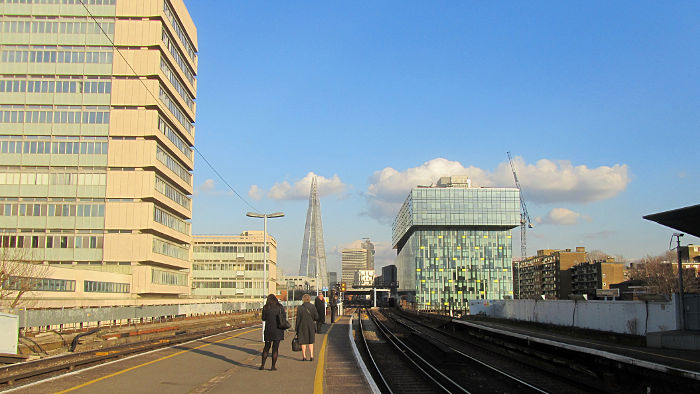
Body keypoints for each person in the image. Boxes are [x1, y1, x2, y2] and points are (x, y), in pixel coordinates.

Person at [260, 294, 287, 371]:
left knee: (266, 348)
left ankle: (262, 365)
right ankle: (273, 366)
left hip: (268, 330)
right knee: (275, 349)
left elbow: (263, 318)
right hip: (278, 330)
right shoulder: (280, 307)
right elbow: (284, 317)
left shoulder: (266, 307)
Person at [296, 293, 318, 361]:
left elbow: (298, 319)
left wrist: (296, 328)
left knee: (303, 342)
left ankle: (304, 356)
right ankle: (311, 356)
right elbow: (316, 317)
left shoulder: (300, 308)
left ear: (303, 299)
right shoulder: (313, 307)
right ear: (309, 299)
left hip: (302, 326)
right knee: (310, 341)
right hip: (311, 325)